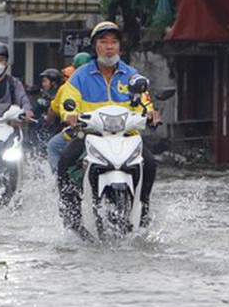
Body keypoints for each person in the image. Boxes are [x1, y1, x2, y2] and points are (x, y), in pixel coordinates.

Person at [56, 20, 160, 231]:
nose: (109, 46)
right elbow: (68, 101)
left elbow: (145, 101)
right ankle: (71, 213)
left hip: (127, 136)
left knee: (149, 163)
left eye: (114, 42)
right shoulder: (80, 76)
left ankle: (144, 208)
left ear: (120, 46)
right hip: (91, 135)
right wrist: (70, 115)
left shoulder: (132, 75)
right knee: (65, 162)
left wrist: (151, 114)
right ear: (95, 46)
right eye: (104, 42)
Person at [45, 52, 100, 172]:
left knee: (53, 146)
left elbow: (54, 110)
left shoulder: (68, 86)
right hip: (109, 130)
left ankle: (58, 179)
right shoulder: (101, 82)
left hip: (82, 130)